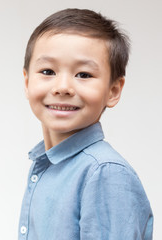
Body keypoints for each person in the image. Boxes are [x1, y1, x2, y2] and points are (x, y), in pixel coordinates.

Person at [18, 8, 153, 240]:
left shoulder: (104, 173)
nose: (62, 87)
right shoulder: (46, 166)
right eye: (47, 71)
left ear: (113, 90)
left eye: (83, 74)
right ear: (27, 82)